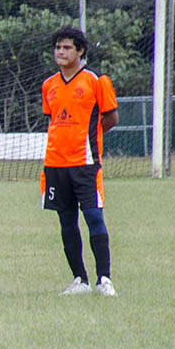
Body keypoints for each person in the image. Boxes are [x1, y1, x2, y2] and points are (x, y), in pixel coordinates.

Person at [40, 26, 119, 297]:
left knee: (94, 216)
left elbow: (110, 119)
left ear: (80, 51)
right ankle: (80, 280)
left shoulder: (96, 82)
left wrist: (87, 139)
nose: (61, 52)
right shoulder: (48, 85)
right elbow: (52, 120)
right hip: (55, 166)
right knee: (66, 222)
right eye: (58, 47)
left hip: (85, 164)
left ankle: (104, 279)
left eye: (67, 48)